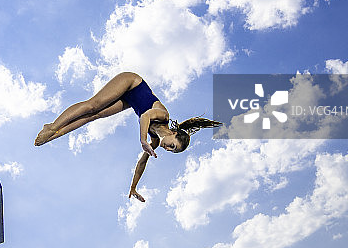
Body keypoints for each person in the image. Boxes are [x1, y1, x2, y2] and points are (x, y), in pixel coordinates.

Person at [34, 71, 221, 202]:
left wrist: (133, 187)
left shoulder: (155, 141)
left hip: (129, 100)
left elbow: (142, 163)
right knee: (93, 105)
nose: (168, 148)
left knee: (94, 116)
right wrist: (143, 140)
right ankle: (52, 126)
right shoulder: (164, 115)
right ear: (174, 134)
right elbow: (145, 116)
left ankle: (55, 134)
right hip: (132, 82)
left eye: (172, 151)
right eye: (173, 145)